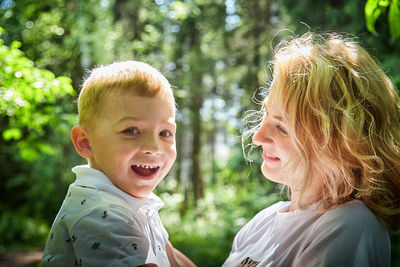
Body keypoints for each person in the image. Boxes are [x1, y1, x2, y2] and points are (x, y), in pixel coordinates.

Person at [223, 32, 400, 266]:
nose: (257, 137)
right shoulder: (263, 221)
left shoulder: (350, 225)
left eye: (282, 128)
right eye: (266, 114)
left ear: (341, 145)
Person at [41, 61, 195, 267]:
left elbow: (170, 256)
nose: (153, 147)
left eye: (165, 133)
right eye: (131, 131)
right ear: (85, 142)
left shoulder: (129, 200)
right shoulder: (102, 213)